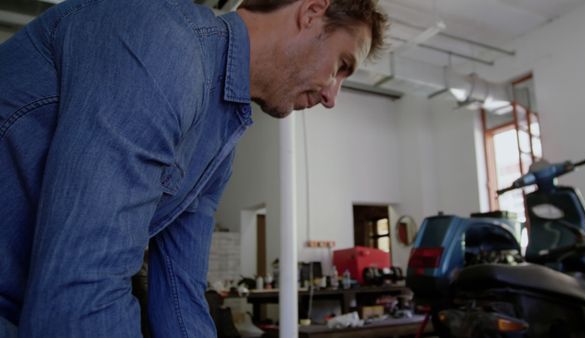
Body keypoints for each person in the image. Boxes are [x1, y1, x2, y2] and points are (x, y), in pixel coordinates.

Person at [0, 0, 387, 337]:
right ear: (312, 11)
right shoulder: (162, 43)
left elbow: (180, 292)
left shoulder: (220, 142)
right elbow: (82, 286)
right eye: (341, 65)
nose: (332, 96)